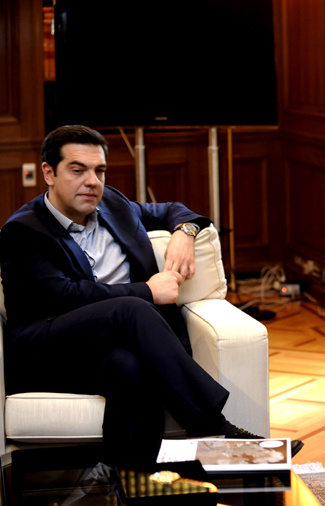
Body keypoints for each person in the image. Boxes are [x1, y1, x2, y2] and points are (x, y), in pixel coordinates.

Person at [0, 125, 303, 464]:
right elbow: (64, 297)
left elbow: (172, 209)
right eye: (77, 170)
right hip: (46, 349)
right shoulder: (23, 230)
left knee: (130, 368)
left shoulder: (112, 203)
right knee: (132, 309)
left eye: (99, 170)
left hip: (109, 348)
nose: (92, 181)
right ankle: (215, 429)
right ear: (48, 173)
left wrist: (186, 231)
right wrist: (148, 291)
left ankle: (136, 477)